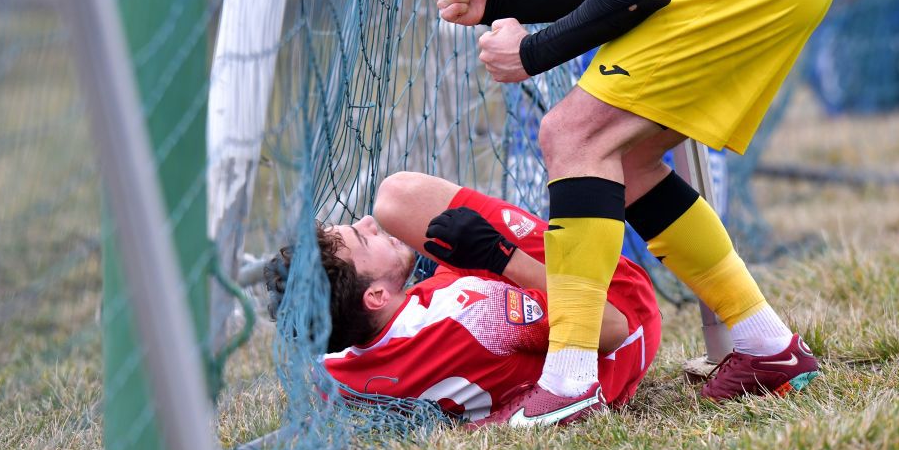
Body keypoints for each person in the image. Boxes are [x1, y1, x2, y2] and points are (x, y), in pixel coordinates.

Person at [380, 0, 840, 424]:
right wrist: (499, 4)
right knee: (623, 162)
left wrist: (531, 53)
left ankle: (570, 382)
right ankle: (769, 349)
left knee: (571, 136)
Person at [264, 171, 660, 426]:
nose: (367, 221)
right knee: (397, 197)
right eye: (363, 238)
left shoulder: (335, 373)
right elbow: (611, 327)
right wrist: (500, 256)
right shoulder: (480, 313)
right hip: (626, 324)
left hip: (466, 346)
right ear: (377, 295)